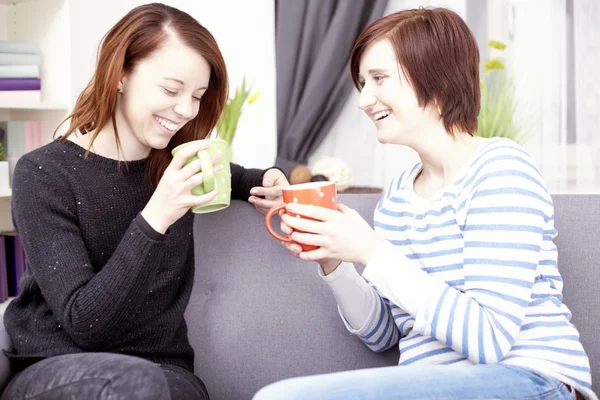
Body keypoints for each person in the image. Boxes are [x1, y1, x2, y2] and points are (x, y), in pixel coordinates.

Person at [254, 7, 595, 400]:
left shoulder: (501, 169)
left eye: (379, 79)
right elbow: (382, 335)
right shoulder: (397, 197)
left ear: (436, 80)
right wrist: (335, 260)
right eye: (362, 83)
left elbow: (489, 339)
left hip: (532, 380)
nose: (364, 100)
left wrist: (372, 250)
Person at [1, 3, 288, 400]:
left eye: (197, 95)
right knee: (134, 383)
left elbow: (240, 178)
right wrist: (157, 215)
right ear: (120, 75)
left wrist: (269, 180)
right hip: (55, 370)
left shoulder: (183, 163)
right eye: (171, 90)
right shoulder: (43, 174)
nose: (186, 110)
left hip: (163, 373)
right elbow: (86, 323)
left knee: (166, 387)